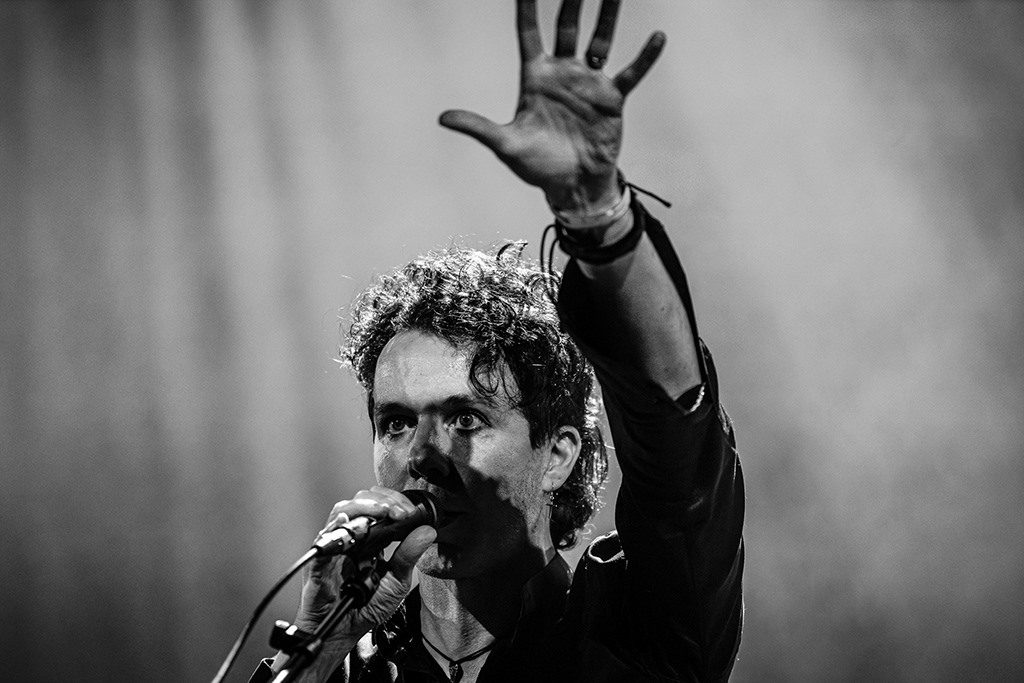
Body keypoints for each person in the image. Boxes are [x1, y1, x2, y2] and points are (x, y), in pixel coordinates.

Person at [249, 0, 744, 681]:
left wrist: (597, 216)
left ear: (558, 454)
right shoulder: (340, 663)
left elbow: (677, 447)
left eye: (465, 418)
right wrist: (314, 652)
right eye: (396, 422)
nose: (421, 455)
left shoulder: (641, 632)